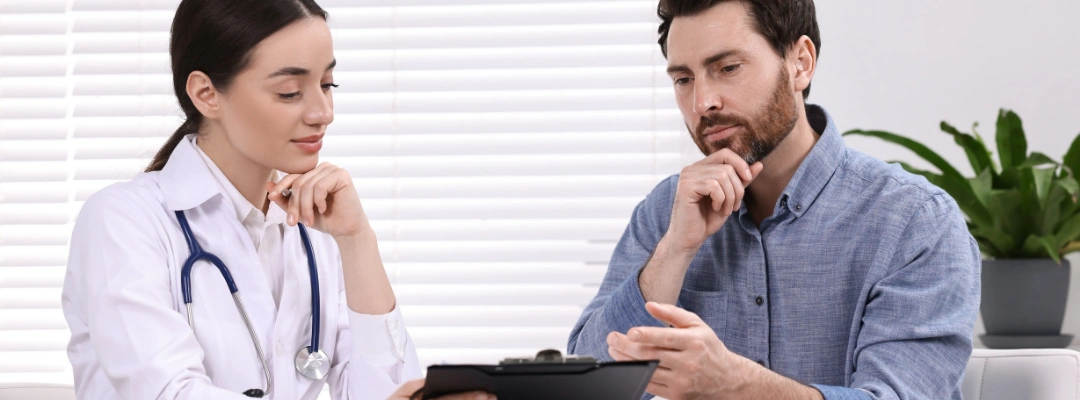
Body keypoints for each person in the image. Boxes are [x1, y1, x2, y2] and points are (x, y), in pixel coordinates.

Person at [60, 1, 492, 399]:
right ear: (206, 94)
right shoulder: (122, 222)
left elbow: (391, 391)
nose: (323, 112)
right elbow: (171, 393)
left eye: (328, 83)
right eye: (290, 91)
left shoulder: (315, 229)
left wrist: (357, 240)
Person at [567, 1, 981, 399]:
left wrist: (737, 388)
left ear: (800, 62)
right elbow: (585, 386)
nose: (702, 103)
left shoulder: (915, 221)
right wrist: (676, 249)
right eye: (683, 79)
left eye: (727, 68)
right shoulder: (667, 211)